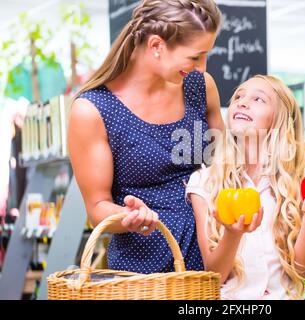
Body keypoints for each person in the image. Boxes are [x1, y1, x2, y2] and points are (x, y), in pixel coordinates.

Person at [68, 0, 224, 274]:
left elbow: (225, 166)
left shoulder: (201, 87)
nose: (202, 67)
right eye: (195, 57)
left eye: (206, 55)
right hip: (144, 270)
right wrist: (129, 217)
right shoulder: (93, 110)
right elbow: (96, 207)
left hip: (215, 261)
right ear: (156, 46)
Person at [186, 75, 305, 299]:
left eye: (258, 99)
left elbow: (299, 271)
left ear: (279, 119)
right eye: (239, 96)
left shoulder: (295, 184)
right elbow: (214, 274)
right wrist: (232, 234)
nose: (242, 102)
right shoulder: (205, 182)